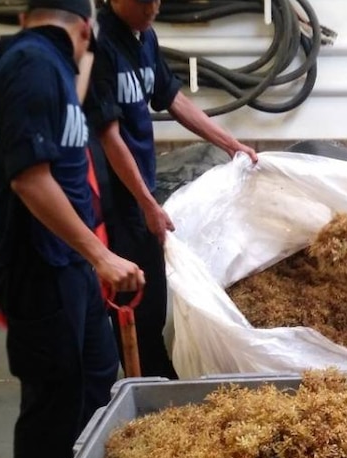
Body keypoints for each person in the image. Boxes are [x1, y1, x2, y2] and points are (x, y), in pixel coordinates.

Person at [0, 0, 145, 458]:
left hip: (67, 261)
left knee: (97, 374)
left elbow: (70, 110)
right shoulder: (30, 66)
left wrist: (90, 43)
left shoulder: (50, 67)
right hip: (38, 266)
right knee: (55, 392)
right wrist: (101, 255)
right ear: (80, 27)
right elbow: (29, 179)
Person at [85, 0, 257, 379]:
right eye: (146, 1)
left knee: (153, 291)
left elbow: (173, 98)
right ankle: (143, 381)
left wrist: (230, 144)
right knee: (132, 296)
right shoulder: (99, 46)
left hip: (139, 189)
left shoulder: (143, 35)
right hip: (111, 197)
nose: (155, 7)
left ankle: (154, 370)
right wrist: (147, 203)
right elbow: (109, 137)